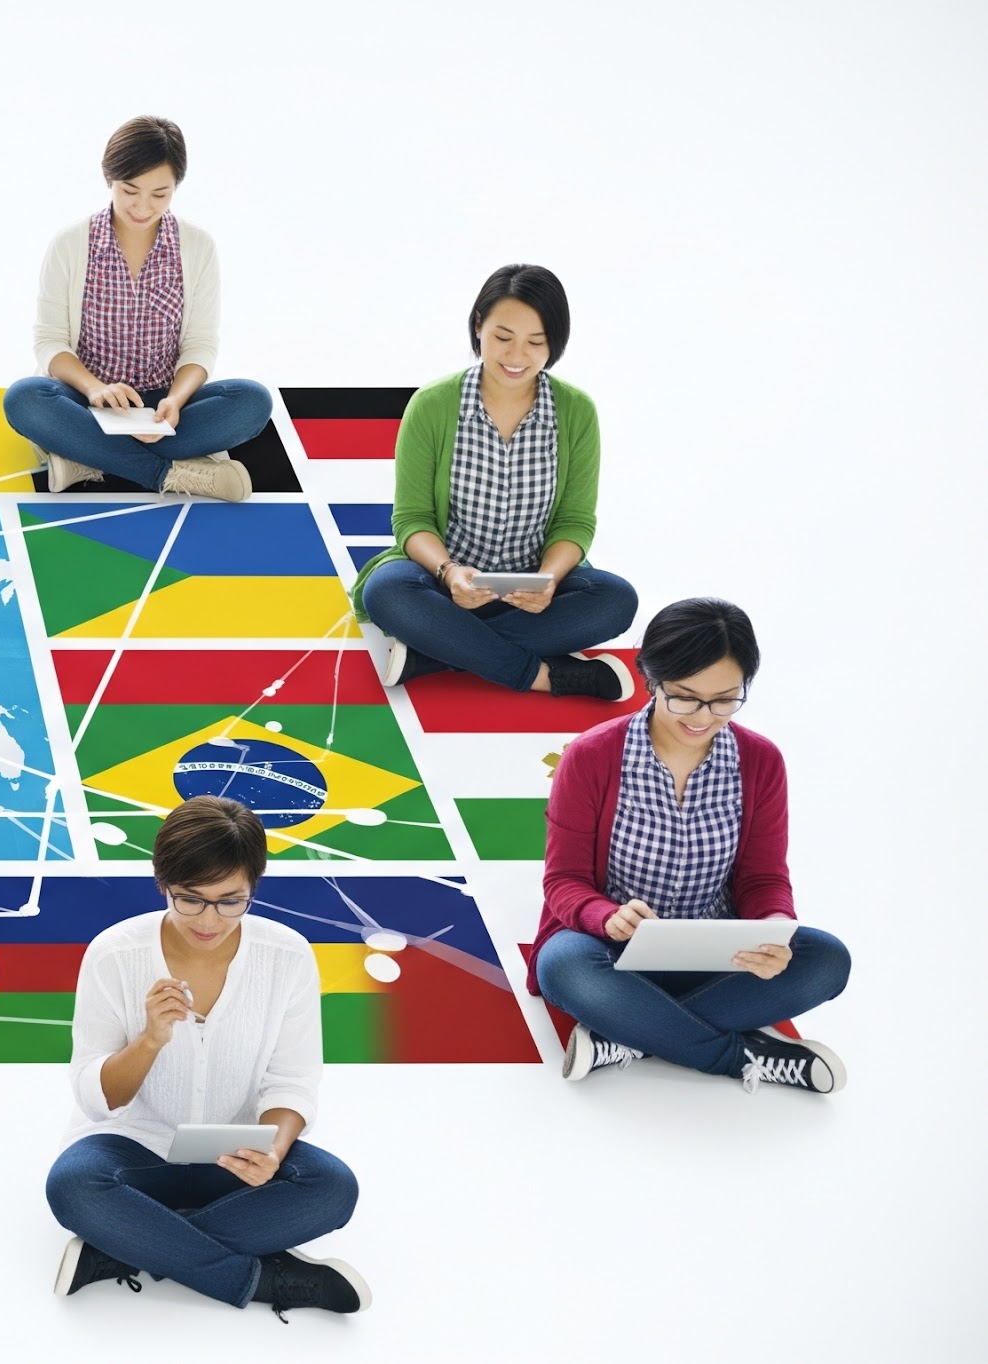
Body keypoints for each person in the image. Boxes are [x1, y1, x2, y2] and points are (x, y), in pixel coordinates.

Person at [46, 795, 369, 1317]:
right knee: (73, 1187)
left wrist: (274, 1151)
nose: (209, 919)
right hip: (135, 1149)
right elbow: (96, 1098)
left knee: (332, 1189)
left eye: (231, 900)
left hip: (233, 1156)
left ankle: (124, 1247)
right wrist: (149, 1039)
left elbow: (293, 1080)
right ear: (162, 884)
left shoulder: (286, 955)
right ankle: (264, 1278)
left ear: (253, 888)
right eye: (190, 898)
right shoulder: (115, 953)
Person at [533, 599, 850, 1093]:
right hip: (613, 953)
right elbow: (563, 881)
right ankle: (742, 1057)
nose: (703, 716)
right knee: (563, 966)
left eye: (725, 699)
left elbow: (763, 878)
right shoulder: (591, 756)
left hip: (715, 953)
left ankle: (627, 1036)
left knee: (826, 959)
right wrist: (605, 916)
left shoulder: (761, 761)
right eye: (684, 697)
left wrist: (771, 928)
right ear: (651, 680)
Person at [353, 265, 637, 700]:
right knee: (386, 591)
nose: (516, 355)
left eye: (536, 342)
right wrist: (449, 574)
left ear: (555, 344)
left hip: (531, 595)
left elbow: (575, 521)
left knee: (616, 600)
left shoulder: (577, 412)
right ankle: (549, 677)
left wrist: (546, 580)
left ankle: (434, 654)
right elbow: (412, 519)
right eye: (503, 337)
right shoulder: (432, 406)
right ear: (478, 326)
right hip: (443, 583)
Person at [2, 116, 271, 500]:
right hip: (88, 402)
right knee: (24, 399)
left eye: (160, 194)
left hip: (164, 406)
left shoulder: (197, 247)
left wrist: (175, 401)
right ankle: (173, 475)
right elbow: (50, 342)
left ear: (176, 187)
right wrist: (95, 389)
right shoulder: (70, 244)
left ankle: (87, 459)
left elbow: (199, 345)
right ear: (109, 178)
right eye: (130, 190)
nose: (143, 206)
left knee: (253, 401)